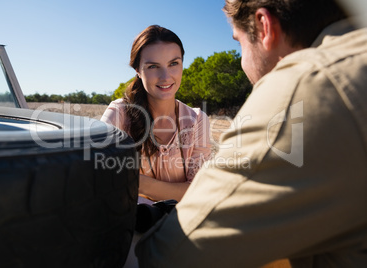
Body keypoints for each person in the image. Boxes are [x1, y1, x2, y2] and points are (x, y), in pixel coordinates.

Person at [135, 0, 367, 267]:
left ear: (264, 26)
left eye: (238, 43)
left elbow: (170, 255)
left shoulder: (303, 84)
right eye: (153, 66)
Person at [101, 25, 212, 202]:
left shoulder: (197, 120)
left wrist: (137, 182)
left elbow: (199, 192)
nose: (165, 77)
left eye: (173, 64)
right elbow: (100, 177)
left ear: (183, 65)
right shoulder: (118, 114)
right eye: (153, 66)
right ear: (137, 70)